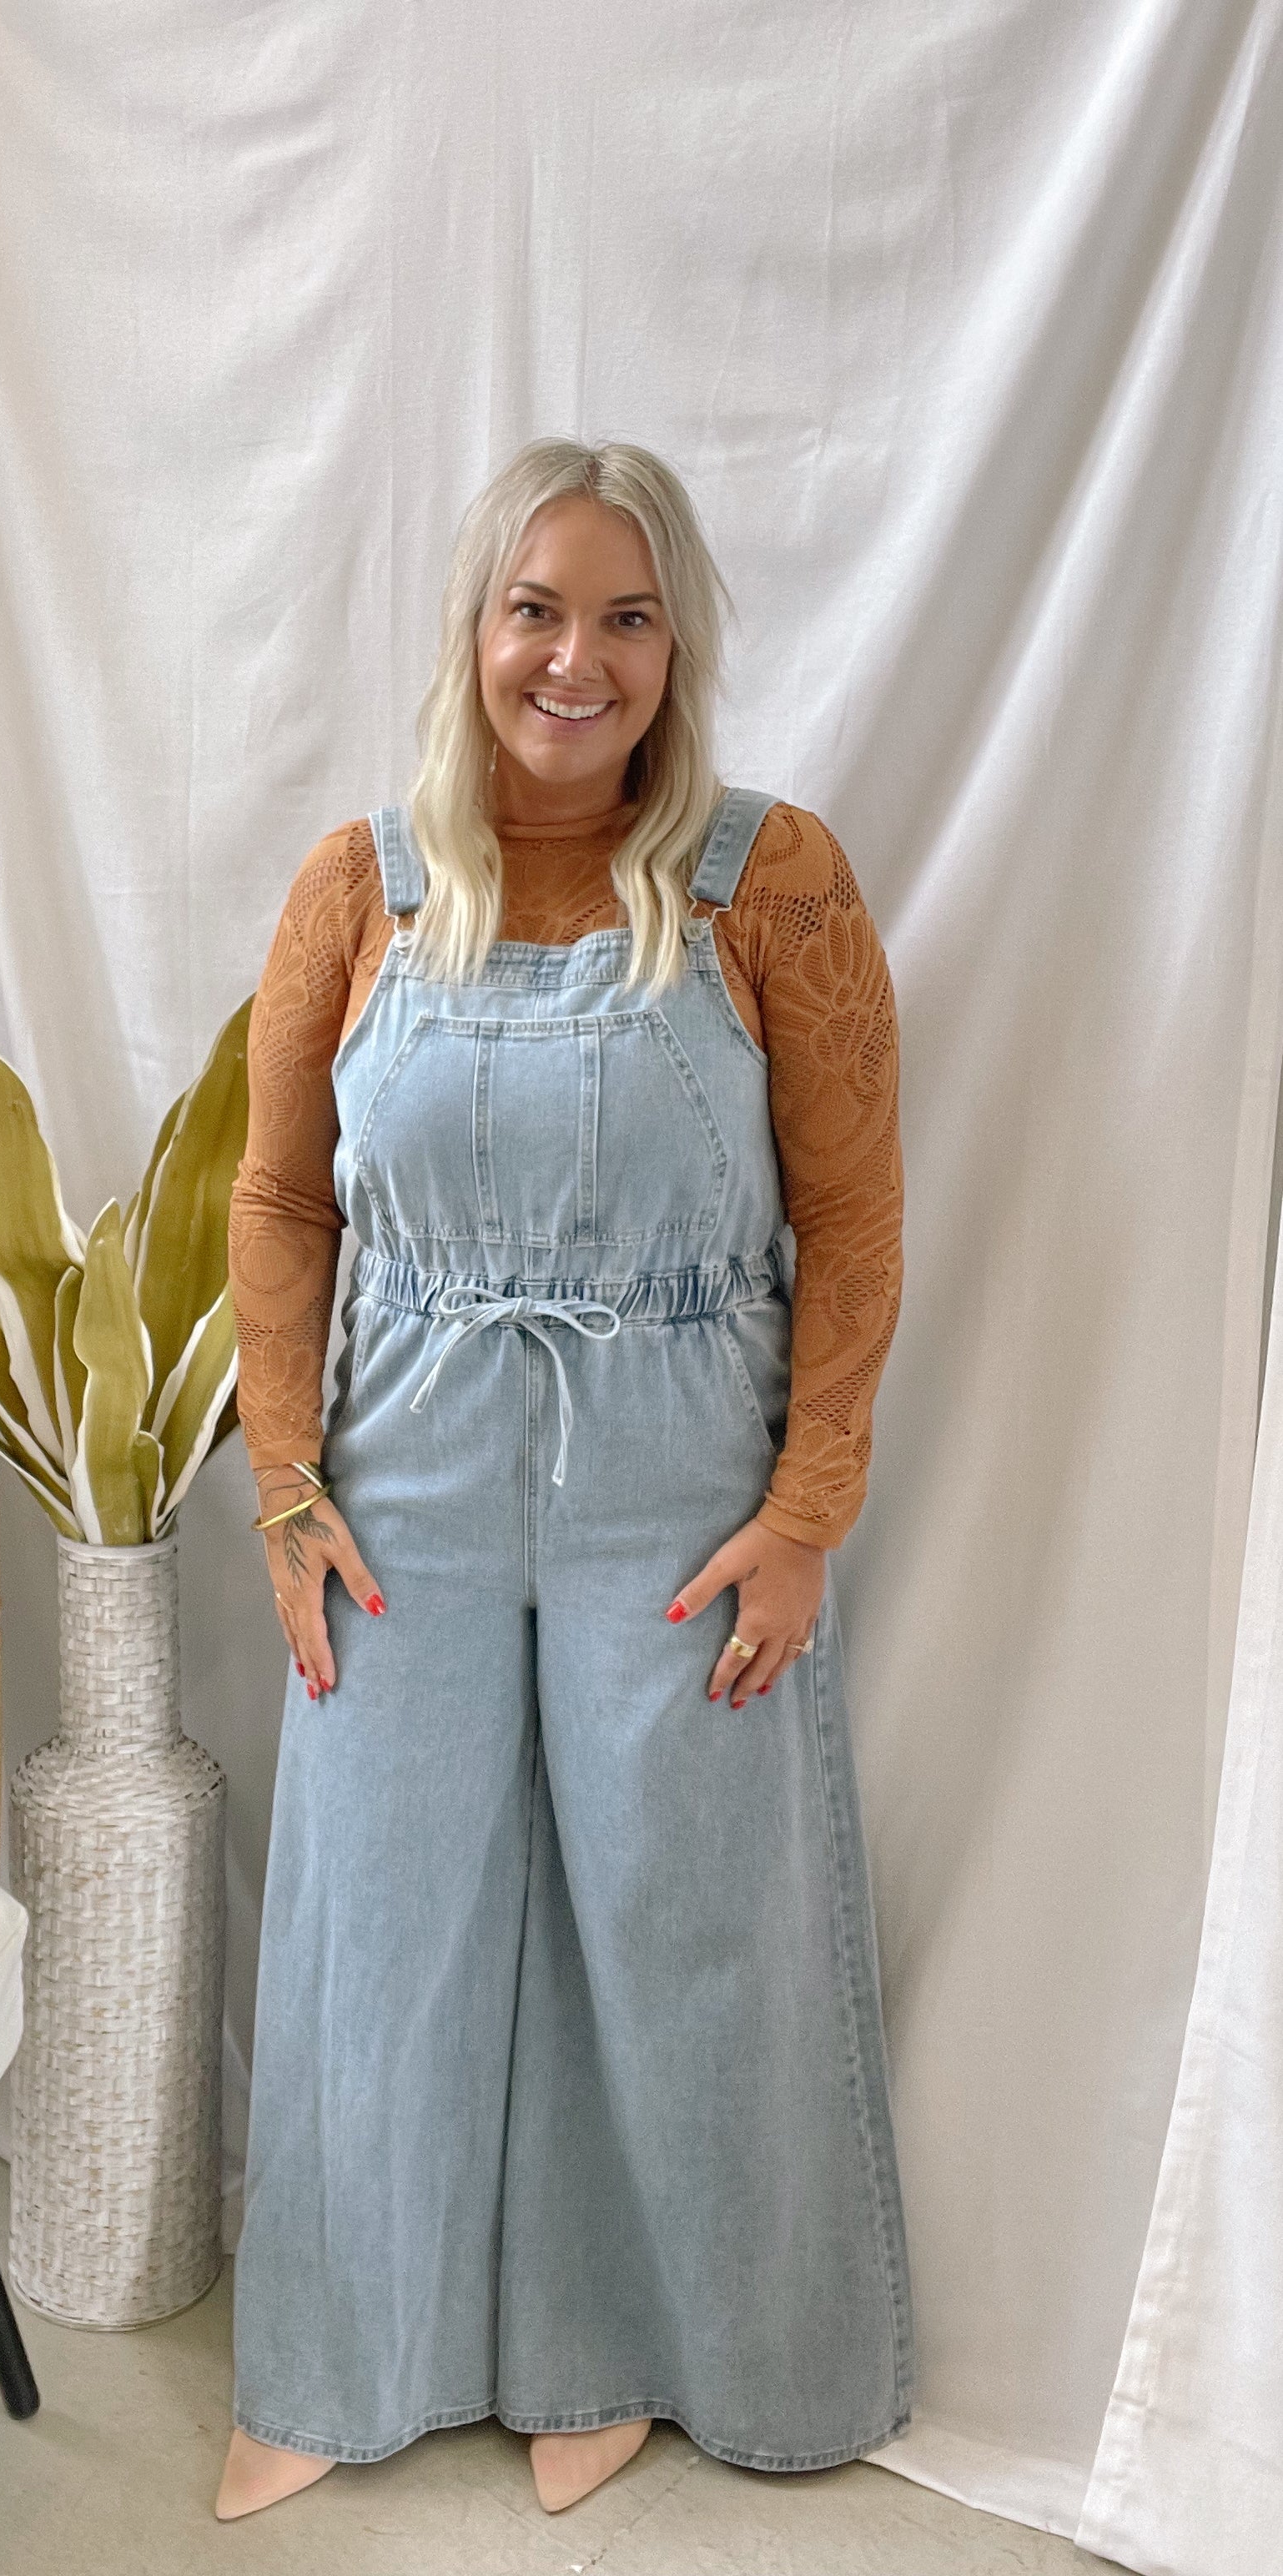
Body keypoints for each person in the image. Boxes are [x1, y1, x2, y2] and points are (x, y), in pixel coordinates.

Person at [218, 437, 912, 2523]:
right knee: (377, 1910)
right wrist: (282, 1479)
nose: (574, 659)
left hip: (678, 1475)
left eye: (625, 616)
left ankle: (617, 2354)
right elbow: (281, 1197)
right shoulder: (357, 886)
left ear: (675, 645)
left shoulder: (771, 880)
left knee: (676, 1910)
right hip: (409, 1468)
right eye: (535, 609)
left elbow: (853, 1216)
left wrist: (807, 1510)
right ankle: (331, 2360)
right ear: (474, 629)